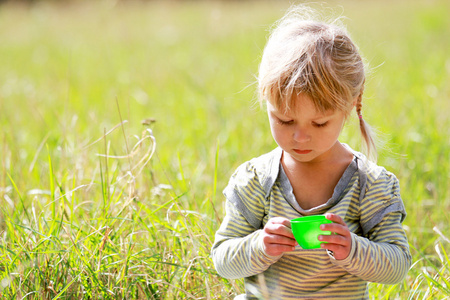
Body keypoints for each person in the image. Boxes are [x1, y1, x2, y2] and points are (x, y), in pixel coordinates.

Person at [211, 4, 411, 300]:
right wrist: (259, 246)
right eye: (284, 120)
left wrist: (353, 249)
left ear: (350, 106)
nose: (300, 136)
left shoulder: (369, 184)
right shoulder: (255, 180)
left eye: (319, 123)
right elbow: (222, 259)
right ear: (265, 100)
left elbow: (397, 266)